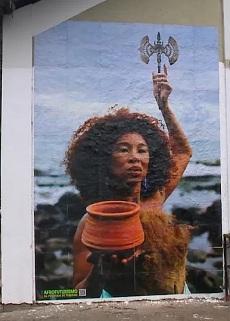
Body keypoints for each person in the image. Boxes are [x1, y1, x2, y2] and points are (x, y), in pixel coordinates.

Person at [65, 65, 192, 296]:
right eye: (124, 150)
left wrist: (164, 107)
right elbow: (79, 291)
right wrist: (101, 271)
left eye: (142, 150)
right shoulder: (94, 220)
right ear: (104, 160)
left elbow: (182, 151)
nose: (135, 158)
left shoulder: (156, 196)